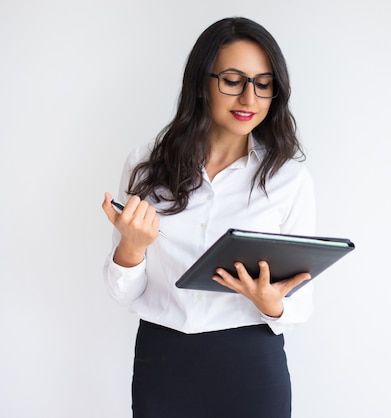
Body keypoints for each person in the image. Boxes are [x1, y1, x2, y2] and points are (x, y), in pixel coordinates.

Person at [102, 16, 316, 418]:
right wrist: (131, 248)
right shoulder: (147, 166)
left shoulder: (289, 178)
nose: (249, 99)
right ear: (202, 84)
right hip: (164, 362)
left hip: (251, 365)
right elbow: (123, 293)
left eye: (263, 84)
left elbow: (302, 305)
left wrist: (273, 303)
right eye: (233, 81)